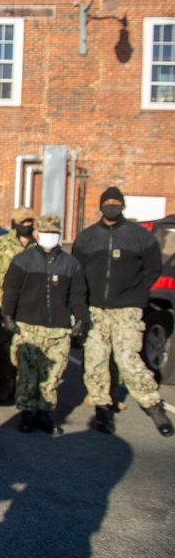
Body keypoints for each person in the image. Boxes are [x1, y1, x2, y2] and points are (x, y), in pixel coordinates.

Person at [72, 187, 173, 437]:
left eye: (117, 202)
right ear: (101, 205)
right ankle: (102, 408)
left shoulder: (140, 236)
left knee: (128, 359)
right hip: (96, 308)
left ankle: (153, 405)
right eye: (108, 202)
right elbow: (77, 272)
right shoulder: (87, 237)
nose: (112, 206)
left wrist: (136, 292)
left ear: (123, 205)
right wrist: (80, 307)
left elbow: (152, 269)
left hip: (127, 309)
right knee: (95, 361)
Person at [0, 215, 89, 436]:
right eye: (46, 232)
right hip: (28, 326)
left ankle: (46, 412)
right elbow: (11, 291)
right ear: (37, 233)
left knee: (53, 374)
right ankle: (27, 412)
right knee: (28, 373)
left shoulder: (70, 263)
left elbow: (78, 295)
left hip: (58, 329)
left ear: (59, 235)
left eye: (54, 233)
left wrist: (81, 319)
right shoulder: (23, 260)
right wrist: (8, 316)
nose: (49, 237)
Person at [0, 206, 36, 402]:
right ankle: (4, 386)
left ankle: (23, 388)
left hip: (29, 309)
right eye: (22, 222)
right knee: (4, 350)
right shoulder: (0, 245)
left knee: (28, 351)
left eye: (29, 222)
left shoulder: (38, 248)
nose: (26, 226)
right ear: (14, 223)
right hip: (3, 307)